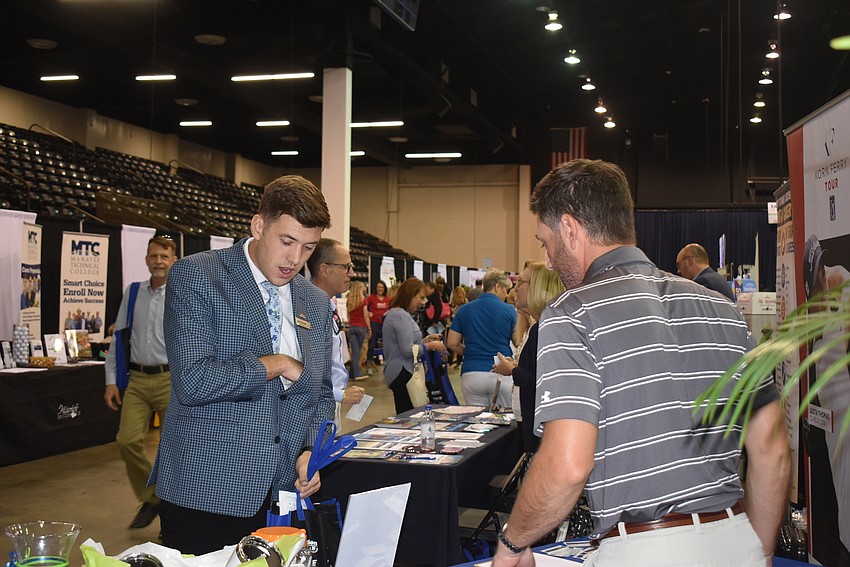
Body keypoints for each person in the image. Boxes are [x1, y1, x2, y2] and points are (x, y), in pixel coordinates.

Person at [493, 159, 790, 567]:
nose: (549, 256)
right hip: (736, 539)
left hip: (646, 549)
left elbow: (567, 466)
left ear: (569, 230)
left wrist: (513, 541)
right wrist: (759, 551)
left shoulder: (572, 311)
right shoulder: (722, 310)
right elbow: (771, 450)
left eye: (545, 243)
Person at [150, 175, 336, 554]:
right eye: (286, 242)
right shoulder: (197, 274)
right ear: (258, 225)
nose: (295, 260)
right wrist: (277, 363)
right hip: (206, 488)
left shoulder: (315, 301)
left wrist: (310, 451)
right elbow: (193, 380)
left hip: (283, 495)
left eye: (308, 248)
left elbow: (323, 393)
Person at [103, 235, 177, 530]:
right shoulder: (133, 293)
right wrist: (111, 381)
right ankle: (153, 496)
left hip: (171, 379)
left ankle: (172, 516)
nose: (158, 261)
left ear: (173, 260)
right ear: (146, 259)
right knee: (127, 440)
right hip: (137, 379)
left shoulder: (180, 292)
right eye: (153, 256)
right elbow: (119, 337)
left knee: (172, 447)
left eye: (164, 256)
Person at [802, 234, 850, 566]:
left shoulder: (840, 278)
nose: (825, 275)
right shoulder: (817, 303)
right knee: (839, 472)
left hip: (841, 396)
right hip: (831, 401)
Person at [492, 261, 564, 453]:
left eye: (521, 283)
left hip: (542, 426)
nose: (515, 289)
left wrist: (513, 371)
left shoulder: (546, 329)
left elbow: (546, 381)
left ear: (538, 287)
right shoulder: (540, 327)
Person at [306, 238, 366, 425]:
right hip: (313, 409)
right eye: (346, 267)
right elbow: (303, 370)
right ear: (324, 269)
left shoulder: (329, 304)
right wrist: (340, 394)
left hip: (330, 402)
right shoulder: (308, 308)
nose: (351, 273)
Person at [446, 270, 517, 408]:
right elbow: (518, 342)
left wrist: (471, 353)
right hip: (501, 372)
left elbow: (452, 343)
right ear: (497, 287)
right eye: (506, 290)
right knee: (506, 422)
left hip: (471, 374)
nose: (507, 295)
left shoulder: (464, 310)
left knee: (476, 423)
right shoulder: (509, 311)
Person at [382, 277, 446, 413]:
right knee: (409, 417)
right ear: (410, 294)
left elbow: (405, 344)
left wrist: (425, 340)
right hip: (403, 373)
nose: (422, 303)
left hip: (401, 371)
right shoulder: (400, 315)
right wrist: (430, 346)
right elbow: (407, 350)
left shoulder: (398, 314)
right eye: (420, 297)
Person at [345, 280, 371, 380]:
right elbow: (365, 315)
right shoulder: (364, 300)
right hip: (362, 328)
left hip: (352, 327)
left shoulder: (349, 301)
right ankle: (357, 374)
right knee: (357, 352)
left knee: (354, 351)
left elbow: (348, 315)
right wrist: (369, 328)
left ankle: (351, 374)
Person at [365, 280, 389, 373]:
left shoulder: (388, 298)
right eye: (378, 287)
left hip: (385, 323)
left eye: (382, 287)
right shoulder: (371, 298)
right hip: (374, 323)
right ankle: (369, 366)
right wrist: (368, 313)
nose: (380, 289)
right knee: (371, 345)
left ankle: (387, 364)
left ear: (384, 289)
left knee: (387, 344)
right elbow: (363, 307)